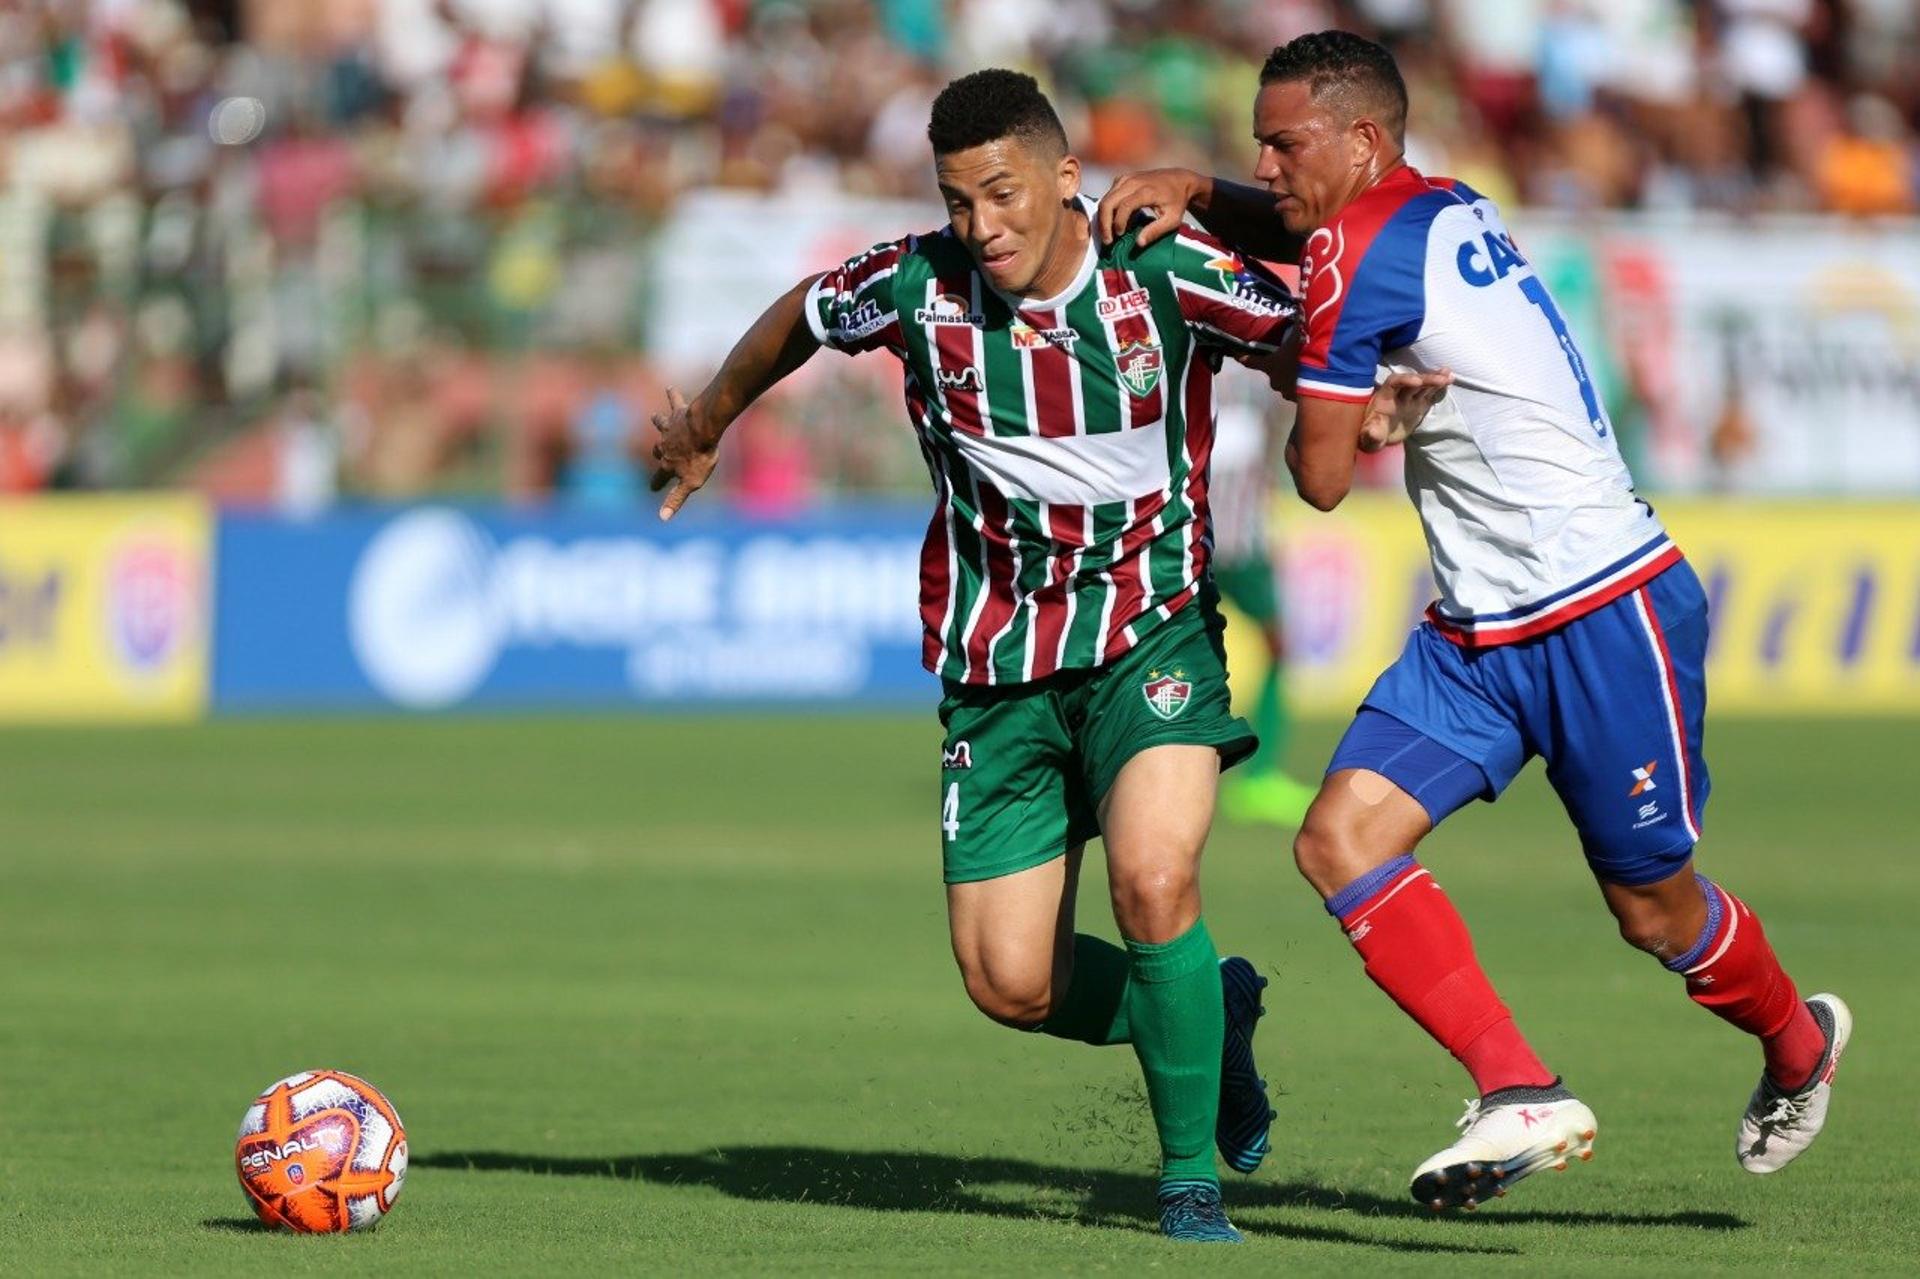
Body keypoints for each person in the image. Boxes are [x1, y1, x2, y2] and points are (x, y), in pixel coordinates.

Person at [648, 68, 1445, 1242]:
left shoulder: (1163, 270)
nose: (983, 226)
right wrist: (711, 420)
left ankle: (1187, 1184)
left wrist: (1372, 401)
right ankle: (1208, 1014)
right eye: (960, 201)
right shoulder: (919, 287)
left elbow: (1298, 343)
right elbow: (803, 314)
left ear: (1066, 179)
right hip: (997, 674)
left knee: (1153, 882)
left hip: (1151, 637)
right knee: (1007, 982)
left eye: (1004, 195)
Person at [1097, 31, 1849, 1211]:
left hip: (1606, 605)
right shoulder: (1432, 205)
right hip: (1480, 631)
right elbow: (1319, 256)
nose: (1264, 160)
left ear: (1362, 139)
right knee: (1339, 838)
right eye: (1255, 141)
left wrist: (1338, 398)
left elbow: (1325, 479)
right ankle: (1519, 1087)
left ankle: (1798, 1043)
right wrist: (1199, 195)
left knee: (1652, 908)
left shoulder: (1354, 248)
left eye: (1282, 141)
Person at [1208, 360, 1318, 828]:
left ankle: (1241, 772)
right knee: (1275, 643)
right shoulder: (1256, 366)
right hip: (1235, 540)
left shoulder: (1199, 360)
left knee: (1193, 648)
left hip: (1194, 533)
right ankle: (1260, 773)